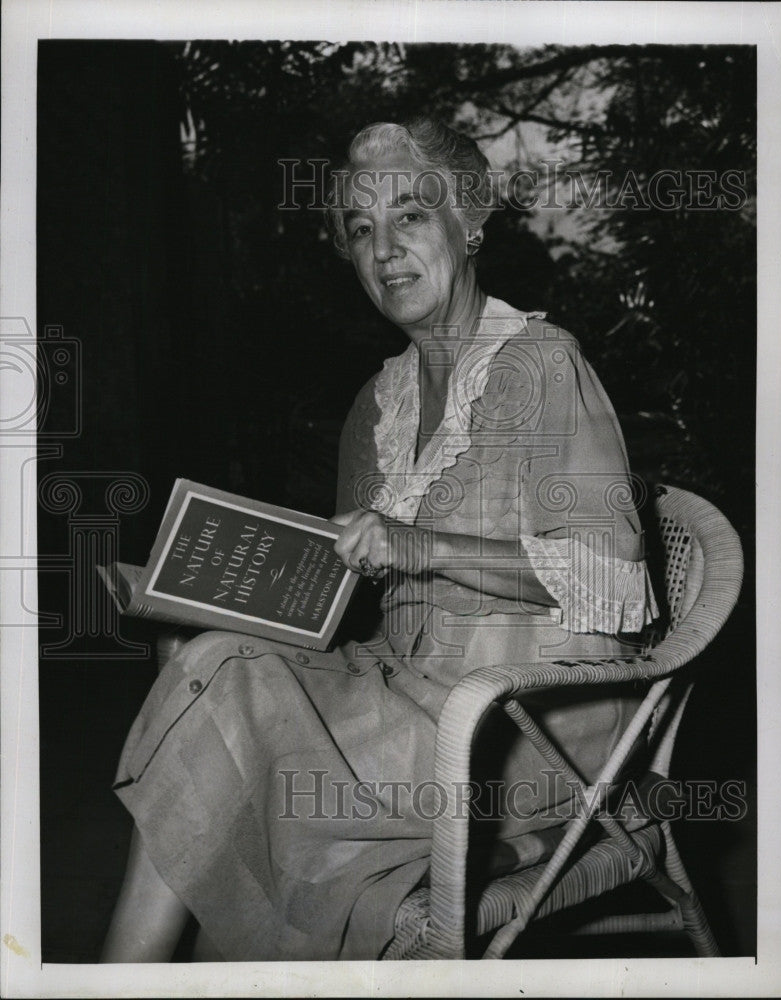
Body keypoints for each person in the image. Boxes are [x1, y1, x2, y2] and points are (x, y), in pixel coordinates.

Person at [101, 117, 658, 963]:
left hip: (528, 721)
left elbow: (616, 581)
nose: (385, 248)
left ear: (470, 223)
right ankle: (146, 975)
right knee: (207, 658)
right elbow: (342, 593)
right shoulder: (379, 402)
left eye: (411, 215)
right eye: (361, 230)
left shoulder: (544, 364)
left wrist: (421, 546)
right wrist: (187, 585)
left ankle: (128, 977)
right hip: (404, 694)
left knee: (228, 749)